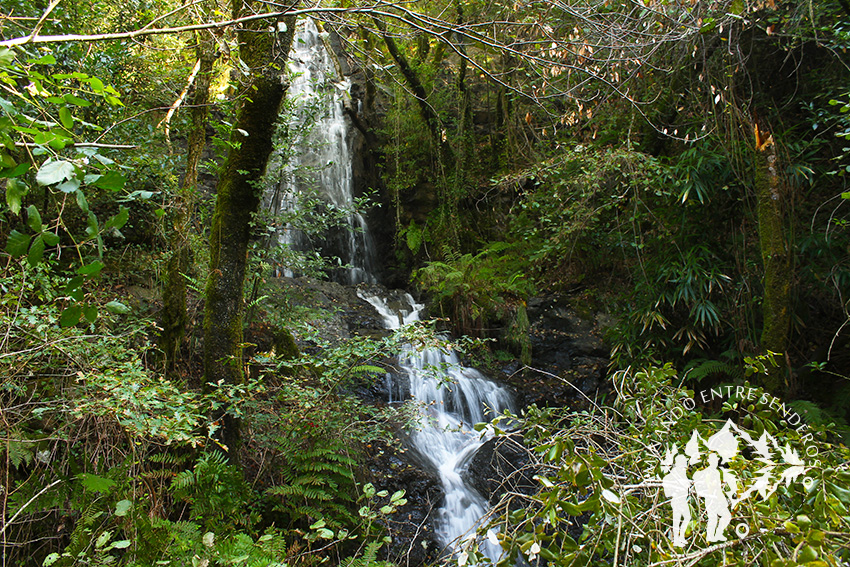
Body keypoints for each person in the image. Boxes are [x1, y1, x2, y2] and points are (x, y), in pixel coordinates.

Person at [662, 453, 692, 547]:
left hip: (683, 500)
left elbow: (686, 484)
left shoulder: (682, 473)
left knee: (687, 517)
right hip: (677, 500)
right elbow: (667, 488)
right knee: (677, 520)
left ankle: (681, 537)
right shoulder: (674, 473)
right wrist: (675, 491)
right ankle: (676, 539)